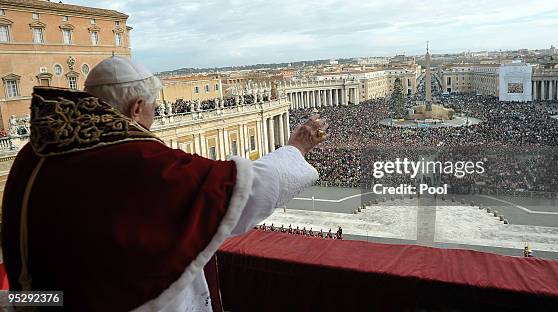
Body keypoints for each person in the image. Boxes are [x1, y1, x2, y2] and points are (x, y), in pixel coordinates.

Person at [1, 56, 329, 312]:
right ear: (137, 107)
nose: (154, 118)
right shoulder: (137, 160)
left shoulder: (35, 154)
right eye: (154, 109)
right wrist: (295, 149)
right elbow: (242, 191)